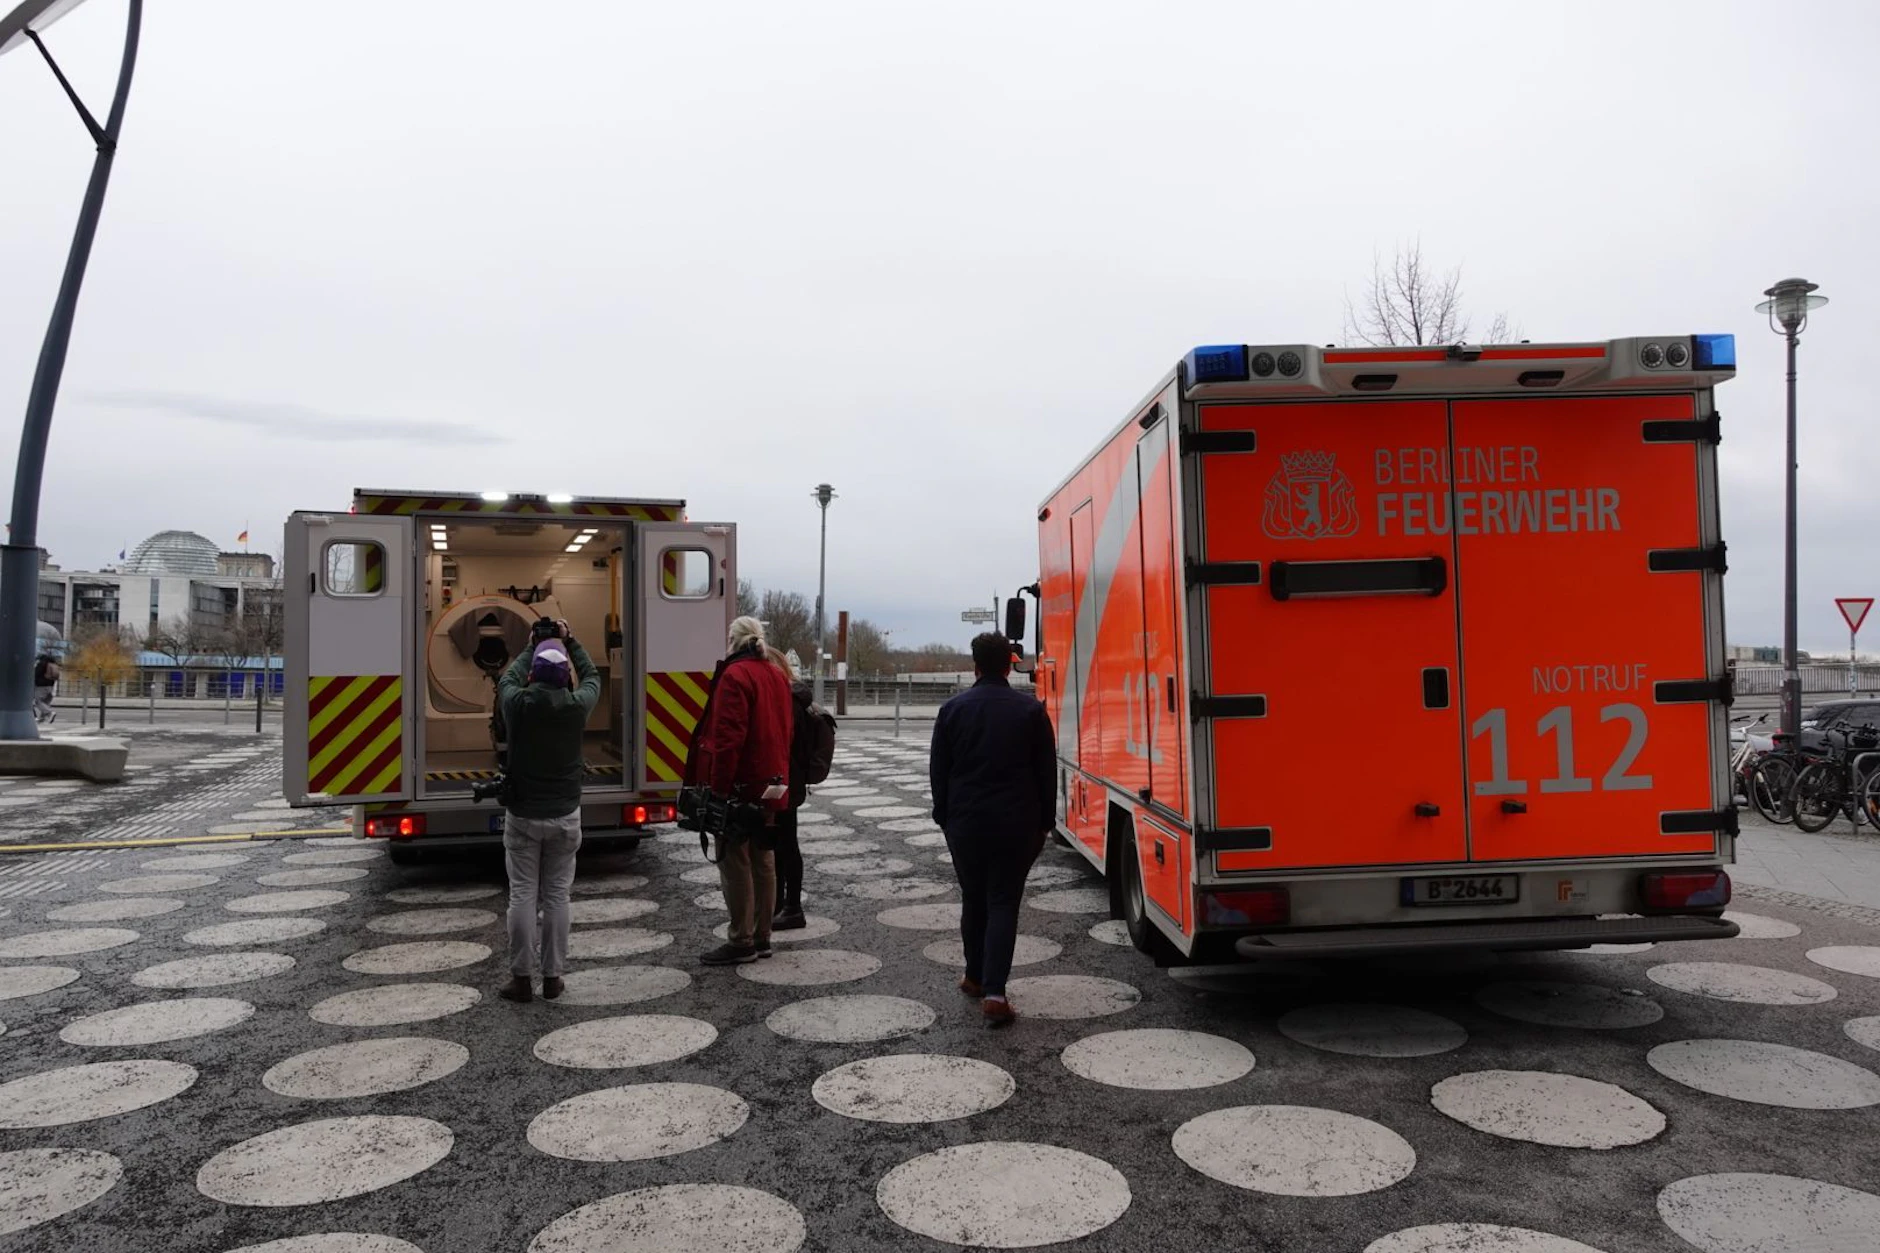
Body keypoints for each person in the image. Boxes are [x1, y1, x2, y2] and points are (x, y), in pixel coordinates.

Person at [930, 631, 1056, 1027]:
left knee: (973, 897)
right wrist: (1045, 823)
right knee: (1003, 901)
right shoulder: (1031, 711)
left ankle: (973, 976)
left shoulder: (952, 710)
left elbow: (939, 772)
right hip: (1016, 823)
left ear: (976, 666)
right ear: (1009, 664)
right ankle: (996, 993)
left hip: (966, 822)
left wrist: (944, 817)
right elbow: (1046, 774)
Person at [494, 621, 601, 1003]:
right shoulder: (576, 707)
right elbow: (591, 676)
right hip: (565, 816)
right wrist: (570, 640)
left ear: (534, 674)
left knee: (522, 894)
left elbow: (508, 678)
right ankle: (553, 978)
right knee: (558, 896)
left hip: (523, 816)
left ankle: (521, 978)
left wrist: (530, 645)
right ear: (564, 678)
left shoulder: (516, 703)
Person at [687, 616, 792, 965]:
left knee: (736, 862)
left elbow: (728, 739)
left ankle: (741, 939)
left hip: (742, 784)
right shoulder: (776, 674)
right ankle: (763, 936)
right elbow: (786, 730)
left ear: (732, 640)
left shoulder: (735, 676)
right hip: (773, 782)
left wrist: (718, 790)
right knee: (764, 859)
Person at [767, 645, 812, 930]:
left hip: (782, 778)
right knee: (784, 842)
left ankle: (789, 906)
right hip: (792, 779)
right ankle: (782, 904)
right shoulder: (797, 697)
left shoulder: (786, 700)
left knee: (782, 844)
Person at [32, 653, 59, 724]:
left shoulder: (42, 664)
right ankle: (42, 718)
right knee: (45, 703)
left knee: (38, 702)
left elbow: (35, 674)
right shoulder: (53, 664)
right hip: (51, 686)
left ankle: (50, 713)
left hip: (41, 686)